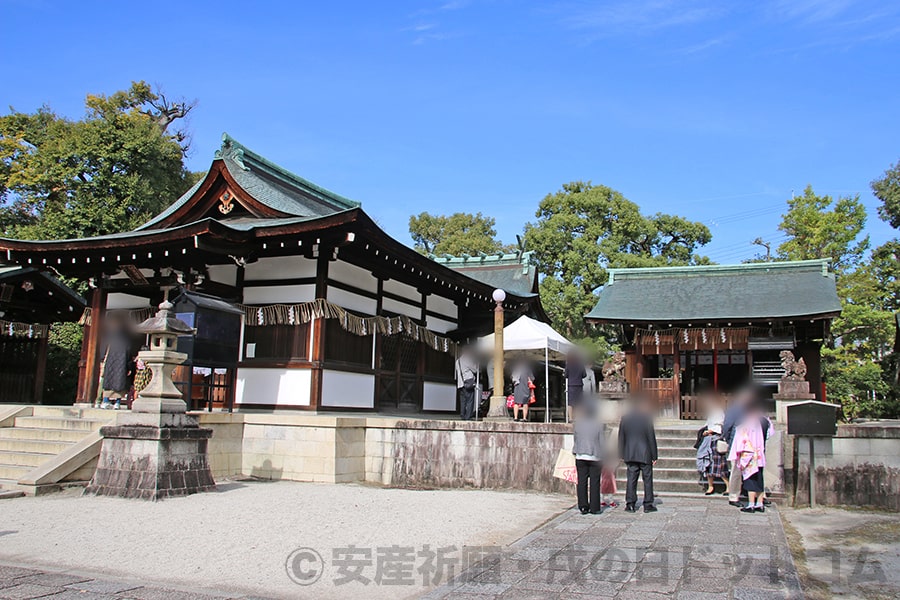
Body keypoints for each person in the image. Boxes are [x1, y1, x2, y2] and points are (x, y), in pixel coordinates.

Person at [728, 398, 772, 513]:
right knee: (759, 477)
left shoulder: (747, 422)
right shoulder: (765, 420)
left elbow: (741, 438)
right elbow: (770, 434)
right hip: (760, 452)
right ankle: (760, 503)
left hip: (748, 453)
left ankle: (751, 504)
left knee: (750, 478)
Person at [618, 395, 658, 513]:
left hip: (630, 453)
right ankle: (648, 504)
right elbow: (651, 438)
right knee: (647, 479)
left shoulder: (625, 418)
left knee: (631, 479)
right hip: (645, 453)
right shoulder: (646, 418)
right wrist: (654, 455)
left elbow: (621, 437)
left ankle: (630, 503)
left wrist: (621, 452)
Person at [572, 403, 605, 514]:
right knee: (595, 482)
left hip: (581, 454)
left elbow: (575, 439)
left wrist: (575, 450)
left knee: (582, 481)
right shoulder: (598, 424)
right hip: (595, 455)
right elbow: (602, 441)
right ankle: (594, 507)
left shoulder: (578, 424)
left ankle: (583, 506)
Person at [98, 313, 134, 410]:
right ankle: (117, 403)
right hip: (122, 364)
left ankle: (105, 401)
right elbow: (129, 354)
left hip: (109, 362)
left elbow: (103, 350)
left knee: (107, 381)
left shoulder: (109, 337)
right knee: (121, 383)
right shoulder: (126, 339)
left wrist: (101, 360)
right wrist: (129, 366)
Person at [723, 388, 753, 507]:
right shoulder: (735, 409)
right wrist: (728, 439)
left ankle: (748, 490)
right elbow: (727, 426)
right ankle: (734, 495)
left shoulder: (750, 409)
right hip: (737, 443)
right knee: (736, 470)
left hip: (750, 444)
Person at [696, 392, 730, 495]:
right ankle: (710, 486)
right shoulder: (711, 413)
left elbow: (719, 426)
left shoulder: (719, 412)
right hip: (708, 441)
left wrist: (710, 431)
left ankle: (728, 486)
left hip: (715, 440)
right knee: (708, 464)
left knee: (719, 466)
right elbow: (707, 424)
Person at [455, 347, 477, 421]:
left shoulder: (457, 361)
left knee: (463, 400)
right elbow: (475, 369)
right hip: (468, 382)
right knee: (470, 400)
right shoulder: (467, 359)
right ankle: (468, 416)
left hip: (460, 383)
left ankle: (462, 415)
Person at [564, 351, 587, 421]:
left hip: (571, 385)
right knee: (579, 402)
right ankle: (579, 418)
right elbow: (584, 375)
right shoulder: (581, 365)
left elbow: (566, 375)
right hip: (579, 385)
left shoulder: (568, 365)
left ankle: (570, 418)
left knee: (570, 402)